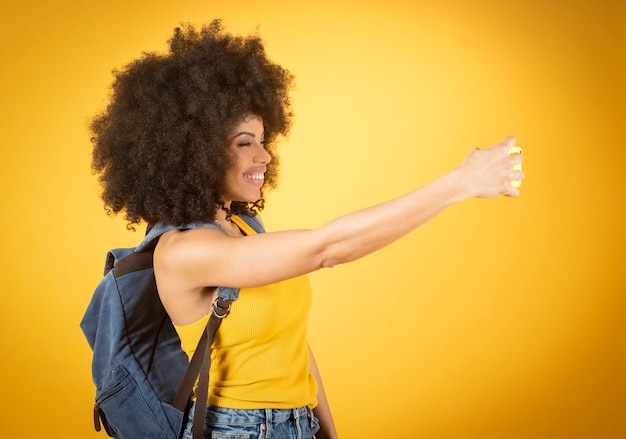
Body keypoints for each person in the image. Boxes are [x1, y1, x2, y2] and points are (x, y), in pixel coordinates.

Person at [90, 20, 523, 439]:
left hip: (299, 423)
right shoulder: (183, 251)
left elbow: (295, 347)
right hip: (235, 430)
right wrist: (459, 183)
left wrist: (328, 433)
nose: (264, 156)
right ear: (192, 151)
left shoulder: (244, 227)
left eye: (263, 140)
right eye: (245, 142)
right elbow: (327, 248)